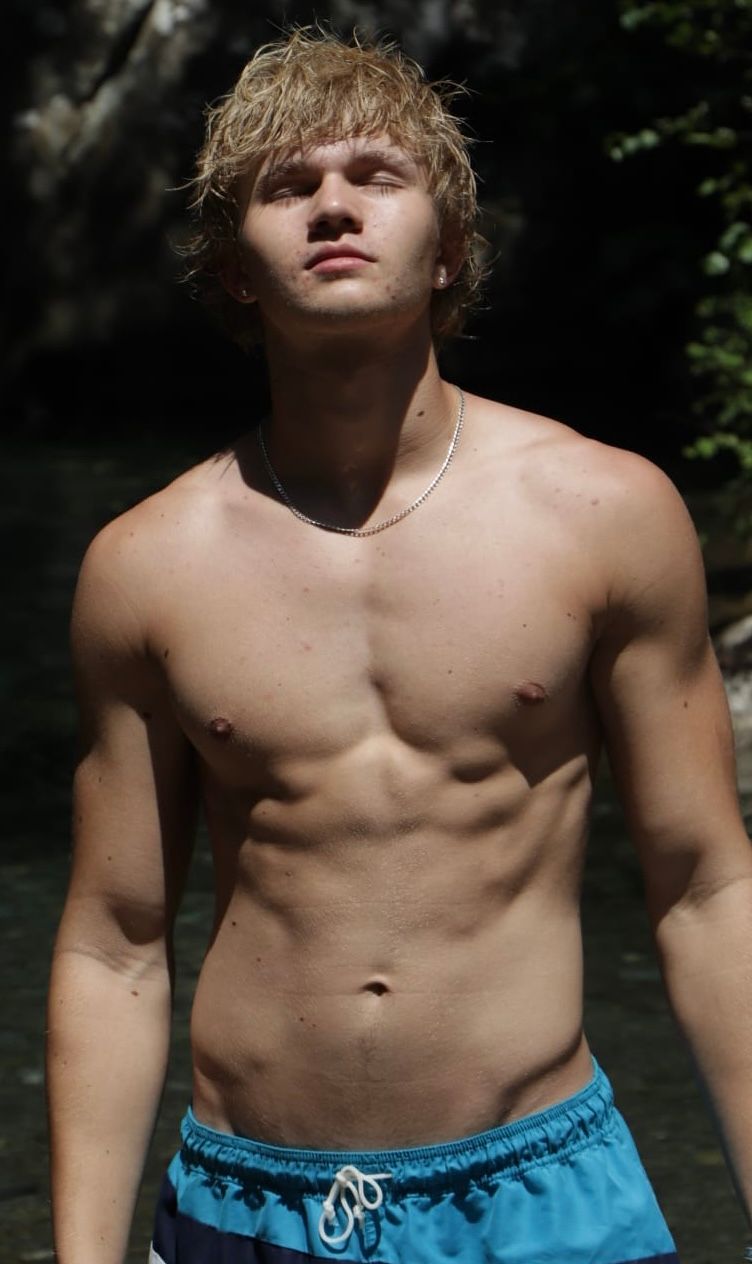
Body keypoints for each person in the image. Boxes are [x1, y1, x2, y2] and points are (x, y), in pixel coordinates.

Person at [47, 27, 752, 1264]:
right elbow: (114, 944)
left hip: (539, 1197)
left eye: (376, 174)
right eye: (286, 185)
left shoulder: (604, 514)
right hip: (243, 1205)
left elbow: (704, 888)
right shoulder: (146, 566)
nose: (332, 205)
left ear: (450, 248)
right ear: (234, 271)